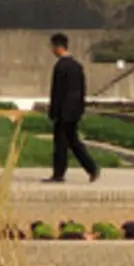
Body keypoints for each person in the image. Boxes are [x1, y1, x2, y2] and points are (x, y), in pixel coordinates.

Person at [45, 33, 99, 183]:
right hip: (74, 111)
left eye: (52, 47)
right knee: (73, 141)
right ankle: (91, 168)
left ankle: (59, 174)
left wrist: (53, 112)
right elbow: (82, 90)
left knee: (60, 143)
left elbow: (57, 92)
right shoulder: (77, 66)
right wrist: (80, 109)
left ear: (57, 47)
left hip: (63, 112)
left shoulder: (61, 66)